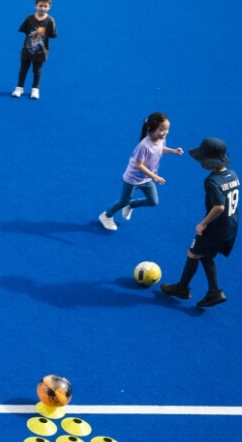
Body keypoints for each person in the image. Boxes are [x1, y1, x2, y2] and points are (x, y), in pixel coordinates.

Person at [161, 138, 238, 308]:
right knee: (204, 254)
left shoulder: (212, 181)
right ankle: (214, 291)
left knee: (193, 253)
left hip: (215, 227)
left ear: (209, 162)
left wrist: (203, 224)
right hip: (230, 225)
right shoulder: (233, 175)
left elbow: (219, 206)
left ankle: (183, 289)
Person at [99, 112, 184, 231]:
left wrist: (173, 151)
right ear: (151, 129)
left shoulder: (161, 139)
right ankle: (106, 216)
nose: (165, 132)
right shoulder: (143, 146)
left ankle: (131, 205)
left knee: (153, 201)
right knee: (123, 201)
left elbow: (160, 149)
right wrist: (154, 176)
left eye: (167, 129)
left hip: (146, 178)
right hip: (133, 179)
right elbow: (138, 165)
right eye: (161, 129)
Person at [12, 0, 57, 99]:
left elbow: (52, 34)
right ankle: (19, 88)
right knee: (23, 70)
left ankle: (35, 89)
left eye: (45, 6)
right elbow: (26, 31)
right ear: (35, 5)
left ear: (50, 7)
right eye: (40, 6)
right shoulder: (29, 19)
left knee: (37, 71)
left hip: (40, 52)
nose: (43, 8)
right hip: (27, 51)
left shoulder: (50, 21)